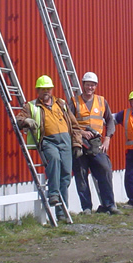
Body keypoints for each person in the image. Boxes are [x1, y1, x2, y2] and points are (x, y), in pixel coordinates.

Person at [17, 75, 82, 221]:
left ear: (52, 89)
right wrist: (26, 120)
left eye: (48, 88)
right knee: (54, 159)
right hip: (48, 140)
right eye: (42, 89)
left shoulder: (62, 104)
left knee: (65, 175)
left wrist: (77, 144)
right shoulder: (31, 106)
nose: (45, 91)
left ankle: (62, 213)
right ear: (37, 90)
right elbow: (18, 119)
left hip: (65, 141)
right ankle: (53, 194)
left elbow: (75, 125)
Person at [68, 72, 121, 215]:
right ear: (83, 84)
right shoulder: (74, 101)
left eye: (92, 85)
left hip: (97, 144)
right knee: (81, 175)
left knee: (105, 171)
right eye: (87, 84)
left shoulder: (102, 101)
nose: (90, 87)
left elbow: (110, 120)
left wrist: (108, 138)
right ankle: (86, 208)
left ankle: (109, 205)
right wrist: (81, 132)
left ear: (96, 86)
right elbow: (68, 123)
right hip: (79, 143)